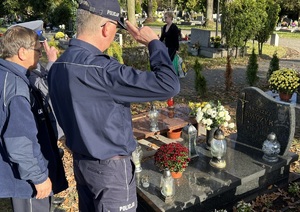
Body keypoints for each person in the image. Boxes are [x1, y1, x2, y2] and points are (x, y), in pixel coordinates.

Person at [47, 0, 180, 211]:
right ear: (107, 27)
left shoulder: (57, 66)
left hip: (82, 164)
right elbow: (169, 85)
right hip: (110, 171)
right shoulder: (104, 70)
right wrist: (154, 43)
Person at [0, 26, 68, 211]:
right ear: (22, 52)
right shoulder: (16, 88)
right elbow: (19, 142)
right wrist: (38, 178)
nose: (40, 55)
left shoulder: (9, 75)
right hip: (27, 182)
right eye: (37, 50)